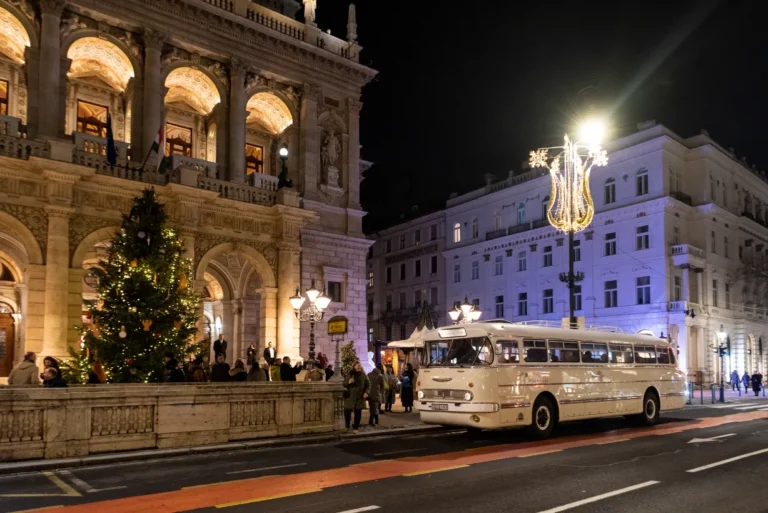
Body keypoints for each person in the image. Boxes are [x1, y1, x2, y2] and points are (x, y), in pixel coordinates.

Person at [343, 361, 370, 433]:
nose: (358, 366)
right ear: (354, 367)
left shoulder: (363, 375)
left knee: (358, 413)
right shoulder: (350, 374)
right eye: (356, 365)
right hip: (350, 397)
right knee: (347, 412)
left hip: (359, 397)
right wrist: (348, 382)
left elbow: (368, 385)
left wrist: (366, 392)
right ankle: (347, 426)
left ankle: (356, 428)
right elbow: (344, 383)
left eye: (359, 365)